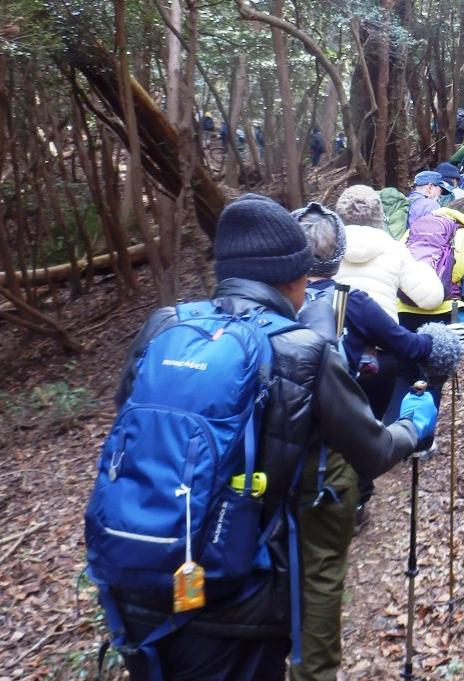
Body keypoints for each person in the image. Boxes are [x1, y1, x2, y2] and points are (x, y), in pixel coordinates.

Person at [96, 193, 437, 681]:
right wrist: (414, 423)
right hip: (238, 595)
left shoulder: (163, 327)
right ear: (295, 277)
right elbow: (373, 450)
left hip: (136, 582)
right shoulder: (304, 350)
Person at [290, 202, 464, 681]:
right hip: (342, 408)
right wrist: (444, 344)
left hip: (276, 441)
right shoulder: (355, 299)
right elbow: (409, 341)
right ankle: (358, 501)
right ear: (338, 252)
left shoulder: (278, 304)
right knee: (357, 442)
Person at [388, 198, 464, 418]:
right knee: (433, 378)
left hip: (404, 309)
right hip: (444, 312)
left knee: (404, 374)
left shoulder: (414, 231)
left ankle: (395, 436)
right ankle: (422, 442)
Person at [334, 184, 443, 321]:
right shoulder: (395, 249)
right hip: (383, 336)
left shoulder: (326, 250)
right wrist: (423, 267)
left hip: (338, 335)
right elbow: (431, 299)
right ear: (380, 214)